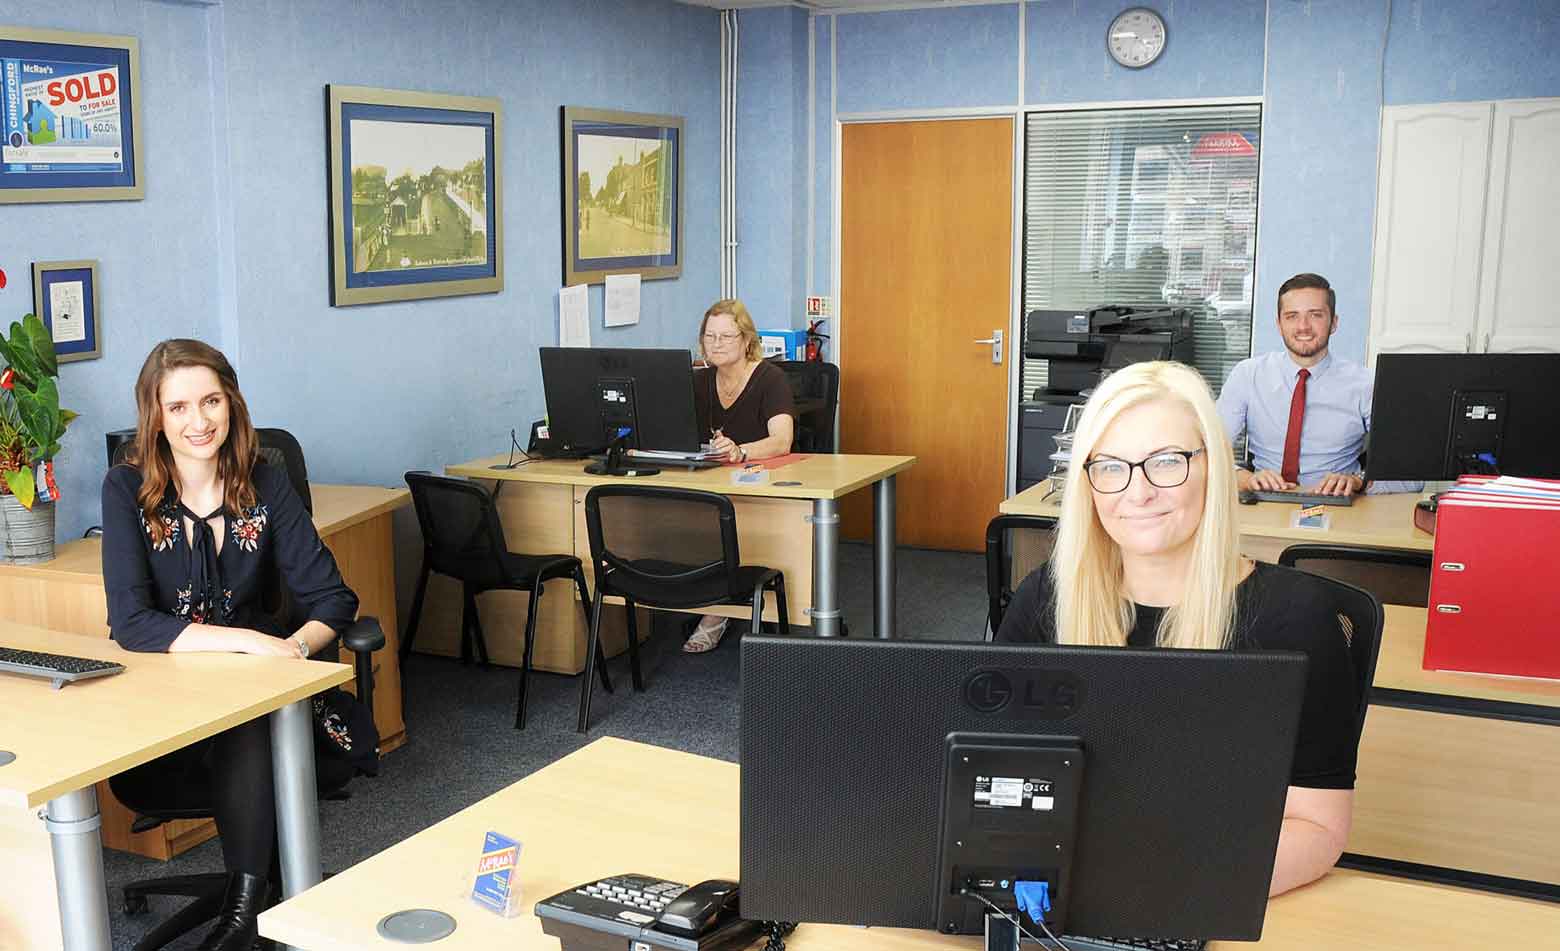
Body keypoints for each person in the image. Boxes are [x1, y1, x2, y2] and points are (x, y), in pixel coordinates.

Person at [996, 360, 1360, 897]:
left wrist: (1160, 889)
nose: (1137, 492)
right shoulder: (1044, 600)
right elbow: (991, 780)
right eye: (1111, 465)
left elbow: (1318, 829)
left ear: (1214, 467)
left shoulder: (1298, 621)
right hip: (1063, 898)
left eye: (1166, 462)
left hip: (1202, 896)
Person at [101, 339, 360, 951]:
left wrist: (293, 649)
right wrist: (248, 642)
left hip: (268, 705)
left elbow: (334, 600)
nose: (199, 421)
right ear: (155, 415)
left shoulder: (263, 482)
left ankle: (243, 914)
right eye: (180, 406)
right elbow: (132, 623)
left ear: (231, 402)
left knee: (248, 714)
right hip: (167, 722)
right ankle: (252, 903)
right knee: (241, 714)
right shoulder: (127, 489)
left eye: (212, 401)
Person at [1217, 272, 1420, 495]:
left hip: (1338, 508)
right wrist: (1244, 478)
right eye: (1292, 316)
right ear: (1279, 324)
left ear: (1334, 323)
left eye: (1315, 315)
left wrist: (1359, 482)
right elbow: (1207, 450)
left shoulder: (1365, 384)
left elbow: (1411, 475)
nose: (1303, 326)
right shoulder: (1248, 375)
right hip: (1263, 503)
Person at [684, 298, 795, 652]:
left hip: (759, 483)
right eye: (709, 336)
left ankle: (716, 611)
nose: (715, 344)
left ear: (746, 339)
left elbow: (782, 440)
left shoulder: (770, 379)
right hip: (709, 478)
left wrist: (741, 450)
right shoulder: (698, 381)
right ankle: (687, 591)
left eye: (726, 336)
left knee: (723, 515)